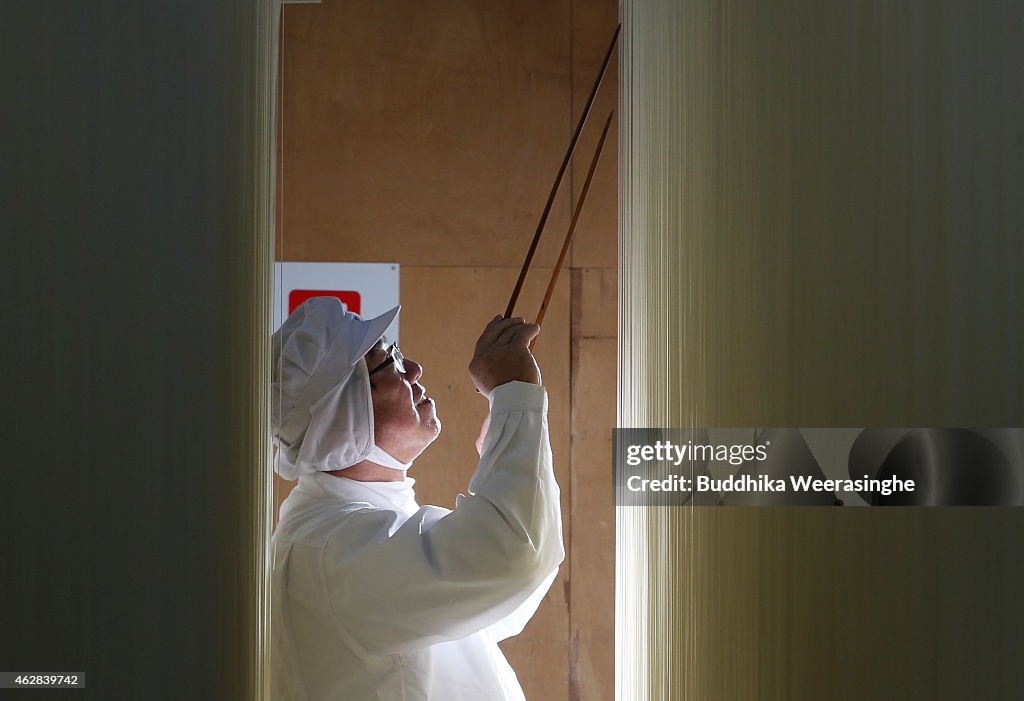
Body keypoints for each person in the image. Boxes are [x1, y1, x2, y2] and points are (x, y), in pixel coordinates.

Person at [270, 296, 564, 700]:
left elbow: (493, 607)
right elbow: (511, 559)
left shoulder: (347, 526)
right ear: (342, 412)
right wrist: (514, 397)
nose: (413, 369)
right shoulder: (331, 547)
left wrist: (510, 445)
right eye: (387, 362)